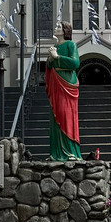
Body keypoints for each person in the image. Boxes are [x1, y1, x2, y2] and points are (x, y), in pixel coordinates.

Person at [46, 22, 82, 160]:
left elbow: (75, 63)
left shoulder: (70, 45)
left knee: (65, 115)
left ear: (65, 30)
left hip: (67, 83)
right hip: (56, 82)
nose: (56, 28)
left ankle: (70, 152)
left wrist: (57, 57)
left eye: (59, 27)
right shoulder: (54, 47)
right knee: (55, 116)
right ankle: (56, 153)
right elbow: (50, 66)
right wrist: (50, 60)